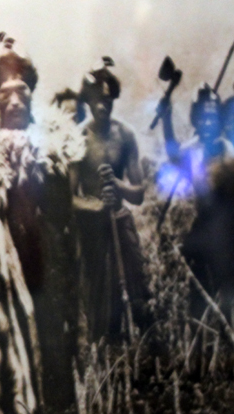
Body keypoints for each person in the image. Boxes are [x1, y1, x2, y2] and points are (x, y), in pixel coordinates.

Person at [0, 37, 83, 414]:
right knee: (9, 326)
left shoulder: (52, 133)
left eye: (20, 91)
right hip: (3, 247)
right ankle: (20, 413)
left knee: (52, 322)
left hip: (46, 245)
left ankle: (61, 412)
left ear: (32, 93)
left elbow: (67, 202)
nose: (13, 101)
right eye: (3, 93)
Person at [76, 59, 150, 342]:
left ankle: (144, 354)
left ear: (114, 99)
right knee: (102, 311)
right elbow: (69, 199)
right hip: (93, 230)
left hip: (120, 221)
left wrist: (117, 186)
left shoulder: (125, 135)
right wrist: (96, 206)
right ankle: (109, 355)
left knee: (139, 297)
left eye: (107, 99)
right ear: (87, 100)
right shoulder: (78, 138)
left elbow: (139, 194)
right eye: (96, 99)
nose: (102, 105)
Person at [164, 86, 234, 319]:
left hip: (227, 232)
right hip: (201, 231)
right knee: (199, 298)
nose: (208, 123)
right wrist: (166, 120)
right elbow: (173, 157)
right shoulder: (190, 150)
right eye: (203, 117)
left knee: (228, 297)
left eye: (212, 116)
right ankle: (199, 334)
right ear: (195, 118)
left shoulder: (226, 148)